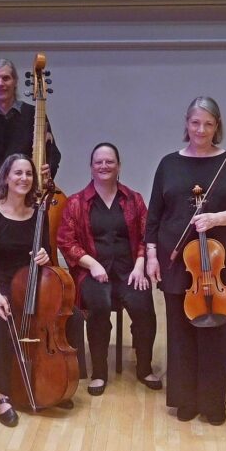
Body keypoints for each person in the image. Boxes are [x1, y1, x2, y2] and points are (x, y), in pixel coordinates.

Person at [145, 97, 226, 426]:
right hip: (177, 259)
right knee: (179, 331)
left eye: (208, 124)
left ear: (217, 126)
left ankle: (212, 402)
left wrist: (216, 217)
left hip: (218, 261)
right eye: (195, 123)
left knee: (216, 332)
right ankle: (185, 400)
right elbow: (154, 214)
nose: (201, 130)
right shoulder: (168, 164)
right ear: (186, 123)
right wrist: (151, 254)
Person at [56, 142, 161, 396]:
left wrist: (140, 265)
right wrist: (92, 264)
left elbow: (147, 234)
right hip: (92, 273)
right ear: (91, 167)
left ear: (119, 166)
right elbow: (66, 241)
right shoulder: (76, 202)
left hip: (130, 270)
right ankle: (99, 372)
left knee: (143, 306)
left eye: (109, 161)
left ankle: (144, 368)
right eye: (99, 162)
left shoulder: (134, 199)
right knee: (99, 306)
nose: (104, 166)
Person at [0, 155, 55, 427]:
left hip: (31, 284)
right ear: (6, 177)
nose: (24, 178)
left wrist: (44, 256)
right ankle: (2, 395)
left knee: (71, 317)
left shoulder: (39, 213)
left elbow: (47, 252)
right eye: (18, 173)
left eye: (29, 174)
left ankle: (54, 381)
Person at [0, 58, 61, 235]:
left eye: (6, 78)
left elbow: (53, 154)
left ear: (15, 81)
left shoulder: (33, 114)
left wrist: (47, 170)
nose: (0, 83)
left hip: (26, 203)